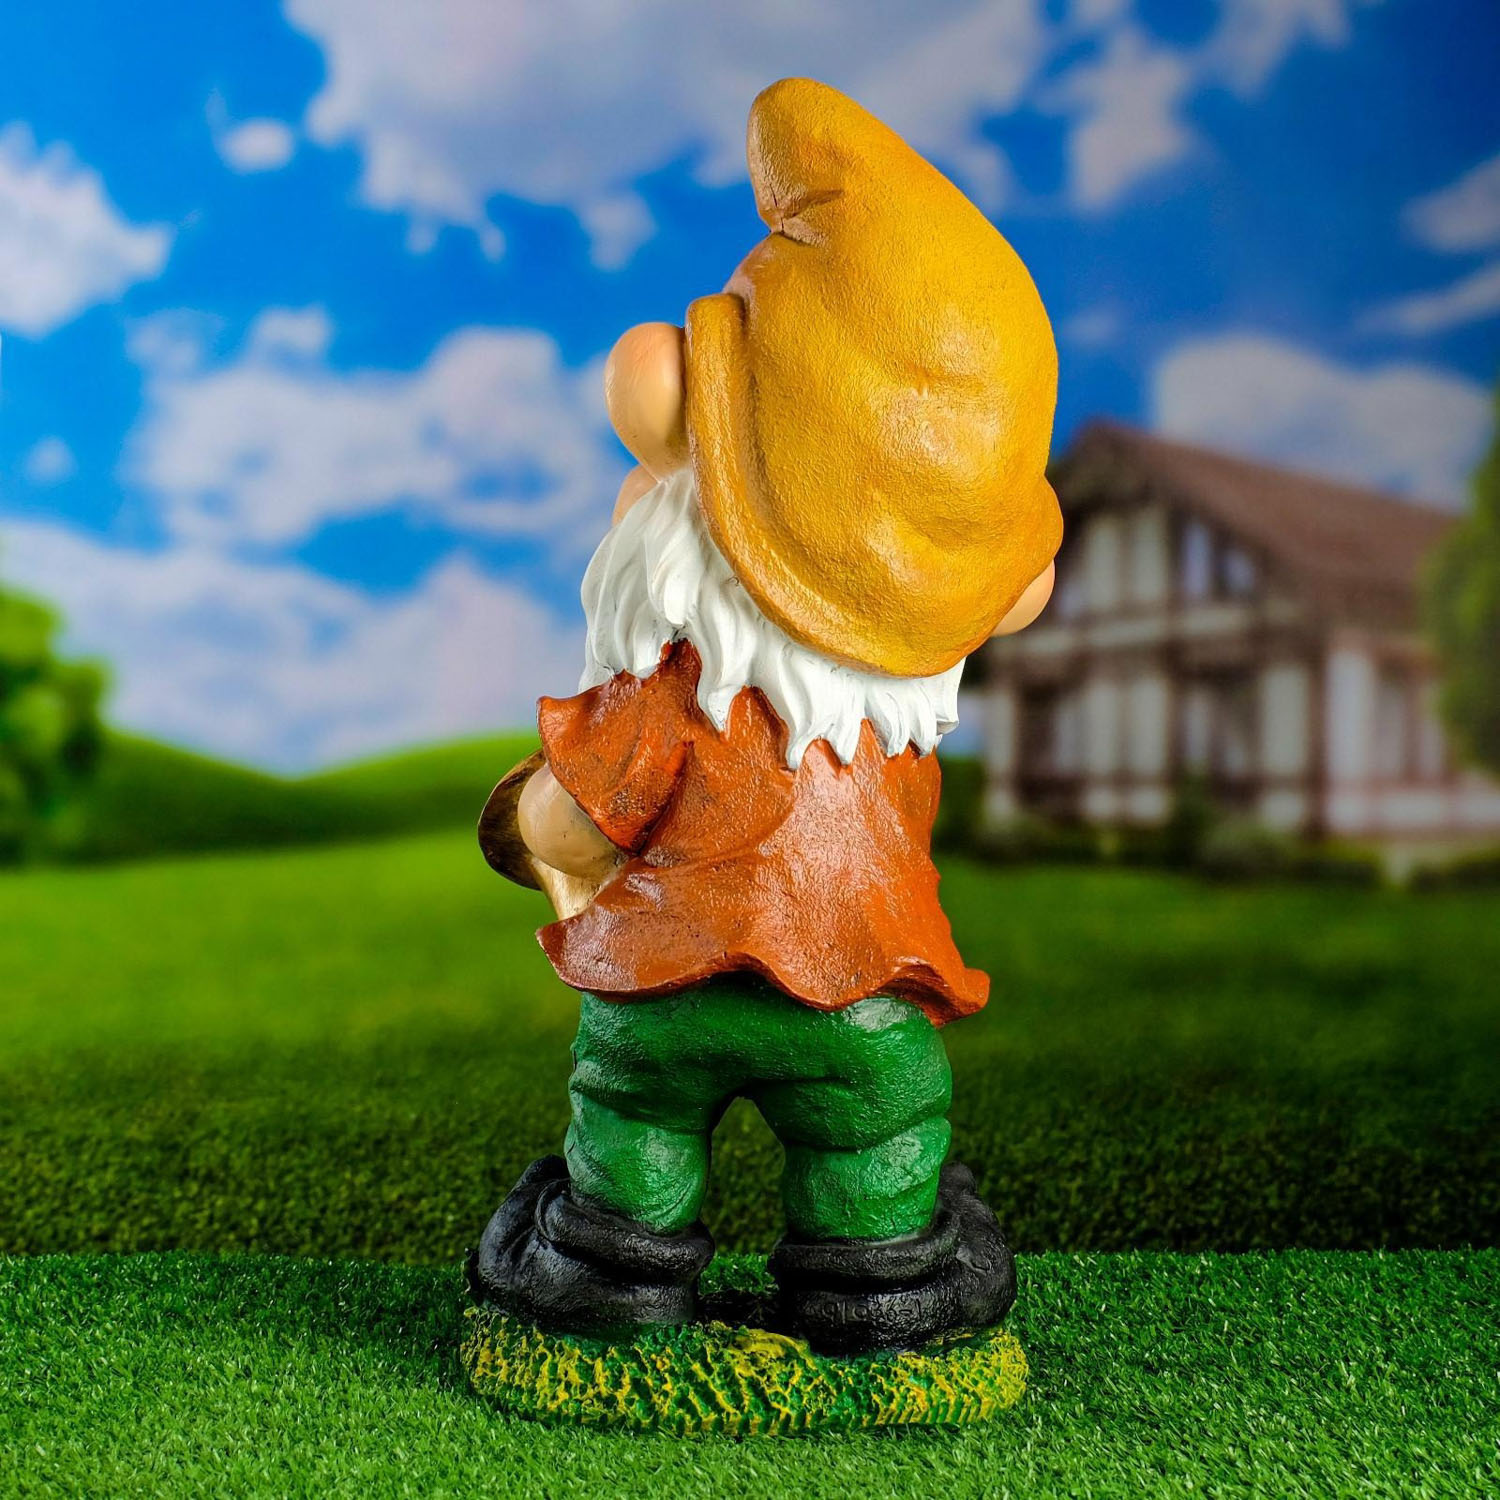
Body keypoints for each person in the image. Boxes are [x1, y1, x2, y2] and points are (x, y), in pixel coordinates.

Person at [469, 77, 1060, 1357]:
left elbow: (574, 823)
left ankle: (610, 1269)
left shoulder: (668, 694)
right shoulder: (896, 730)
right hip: (867, 1003)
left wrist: (525, 824)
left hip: (663, 987)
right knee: (879, 1124)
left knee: (632, 1117)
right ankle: (879, 1277)